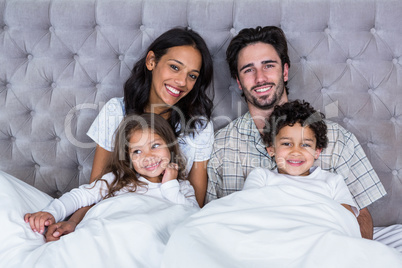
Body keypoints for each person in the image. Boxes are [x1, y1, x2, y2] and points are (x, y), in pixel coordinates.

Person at [206, 25, 402, 251]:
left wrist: (351, 256)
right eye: (248, 70)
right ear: (239, 82)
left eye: (269, 66)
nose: (260, 78)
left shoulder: (337, 138)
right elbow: (212, 219)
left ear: (285, 71)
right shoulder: (222, 145)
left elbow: (361, 216)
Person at [45, 27, 214, 241]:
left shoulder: (198, 126)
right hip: (119, 221)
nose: (182, 82)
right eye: (174, 67)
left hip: (166, 225)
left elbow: (194, 205)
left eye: (192, 76)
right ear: (151, 61)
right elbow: (98, 187)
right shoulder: (116, 111)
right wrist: (74, 222)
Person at [24, 114, 199, 235]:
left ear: (170, 146)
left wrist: (169, 186)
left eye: (155, 146)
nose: (148, 157)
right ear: (128, 158)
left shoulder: (181, 187)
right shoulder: (118, 179)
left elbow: (192, 216)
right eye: (137, 151)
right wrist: (52, 213)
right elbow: (81, 196)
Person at [243, 100, 358, 218]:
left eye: (305, 145)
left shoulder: (333, 182)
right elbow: (246, 209)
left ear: (317, 151)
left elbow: (347, 220)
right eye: (287, 143)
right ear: (271, 149)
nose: (296, 152)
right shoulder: (261, 177)